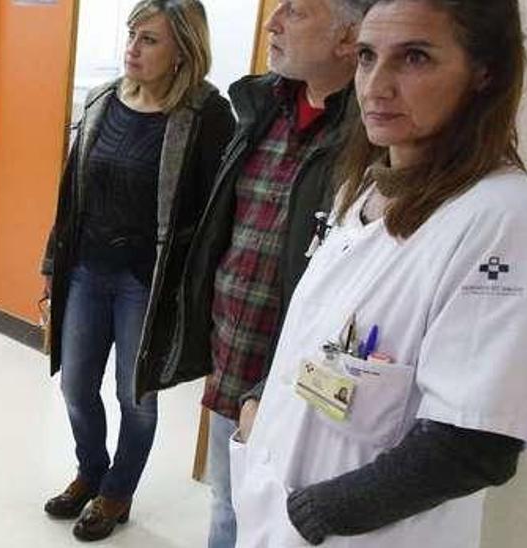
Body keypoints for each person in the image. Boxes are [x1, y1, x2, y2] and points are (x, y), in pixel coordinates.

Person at [232, 1, 527, 546]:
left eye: (414, 57)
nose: (376, 85)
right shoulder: (362, 187)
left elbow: (474, 445)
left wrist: (314, 514)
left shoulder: (504, 218)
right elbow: (324, 336)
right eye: (366, 56)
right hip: (275, 505)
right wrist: (261, 397)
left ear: (485, 74)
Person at [131, 2, 368, 546]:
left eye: (296, 11)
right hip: (234, 352)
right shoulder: (260, 106)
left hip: (303, 373)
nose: (273, 21)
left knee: (287, 517)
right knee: (228, 501)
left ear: (347, 37)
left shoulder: (369, 132)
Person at [40, 0, 234, 541]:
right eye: (131, 34)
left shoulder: (206, 115)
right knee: (76, 384)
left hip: (147, 284)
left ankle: (116, 492)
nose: (133, 47)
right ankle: (90, 470)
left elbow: (217, 211)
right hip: (87, 270)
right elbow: (70, 192)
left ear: (183, 51)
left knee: (136, 396)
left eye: (149, 39)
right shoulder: (103, 99)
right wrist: (54, 262)